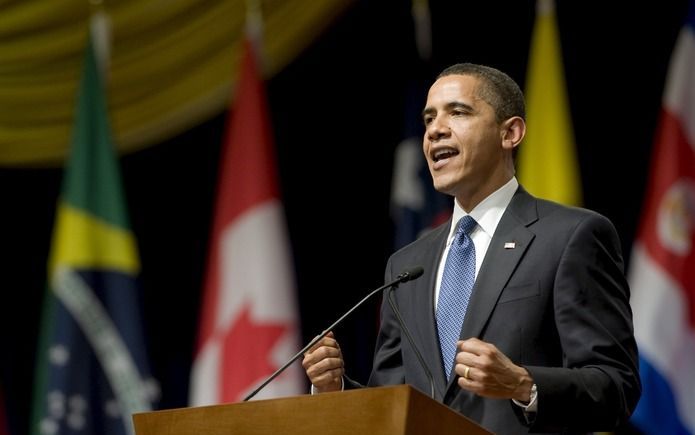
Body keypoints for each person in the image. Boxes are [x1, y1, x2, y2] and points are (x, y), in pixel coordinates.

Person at [301, 63, 641, 434]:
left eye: (458, 112)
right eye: (429, 119)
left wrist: (522, 383)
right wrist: (335, 390)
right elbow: (393, 399)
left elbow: (616, 386)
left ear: (510, 132)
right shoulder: (408, 264)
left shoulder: (571, 236)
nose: (435, 130)